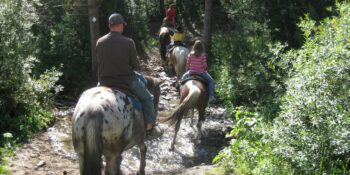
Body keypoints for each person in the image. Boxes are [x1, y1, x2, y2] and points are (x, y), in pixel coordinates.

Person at [95, 13, 159, 136]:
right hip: (125, 81)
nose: (123, 27)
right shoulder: (128, 42)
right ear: (120, 26)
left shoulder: (99, 42)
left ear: (109, 25)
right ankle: (150, 127)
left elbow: (100, 62)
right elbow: (136, 67)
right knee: (148, 99)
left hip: (103, 82)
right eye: (123, 25)